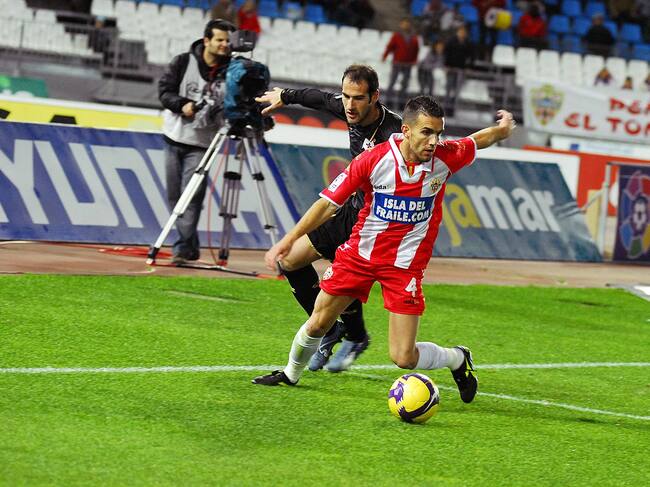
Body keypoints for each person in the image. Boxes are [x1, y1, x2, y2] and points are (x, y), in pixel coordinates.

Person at [252, 97, 515, 397]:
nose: (434, 141)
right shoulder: (373, 160)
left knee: (404, 358)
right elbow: (328, 204)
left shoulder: (445, 157)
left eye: (438, 133)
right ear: (406, 130)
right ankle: (290, 374)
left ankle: (457, 358)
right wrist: (288, 240)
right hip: (360, 256)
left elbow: (477, 140)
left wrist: (502, 130)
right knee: (318, 324)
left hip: (405, 266)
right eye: (427, 132)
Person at [254, 65, 402, 372]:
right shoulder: (349, 109)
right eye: (346, 96)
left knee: (340, 276)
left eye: (358, 98)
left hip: (376, 223)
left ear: (374, 97)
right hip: (351, 210)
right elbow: (319, 99)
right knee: (290, 261)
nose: (349, 105)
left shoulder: (396, 134)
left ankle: (356, 337)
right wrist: (285, 95)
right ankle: (331, 329)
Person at [158, 19, 235, 264]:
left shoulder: (233, 70)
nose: (224, 44)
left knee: (191, 197)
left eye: (227, 40)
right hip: (174, 136)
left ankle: (182, 248)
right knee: (174, 196)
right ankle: (190, 246)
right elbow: (164, 92)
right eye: (220, 40)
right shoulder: (182, 61)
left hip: (203, 143)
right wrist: (182, 104)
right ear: (206, 40)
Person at [382, 18, 420, 108]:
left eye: (407, 24)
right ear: (401, 25)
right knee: (392, 82)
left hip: (408, 64)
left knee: (405, 84)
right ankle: (389, 101)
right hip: (397, 62)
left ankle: (401, 102)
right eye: (404, 24)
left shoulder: (414, 37)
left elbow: (416, 50)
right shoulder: (397, 35)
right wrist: (385, 56)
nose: (406, 25)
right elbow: (390, 46)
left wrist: (414, 60)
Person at [444, 24, 475, 116]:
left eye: (464, 32)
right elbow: (446, 53)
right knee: (449, 89)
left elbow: (472, 56)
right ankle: (446, 108)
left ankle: (453, 109)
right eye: (460, 31)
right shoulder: (451, 41)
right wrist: (446, 65)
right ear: (457, 32)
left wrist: (469, 67)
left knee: (457, 91)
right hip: (451, 68)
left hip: (461, 69)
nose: (462, 33)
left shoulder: (468, 43)